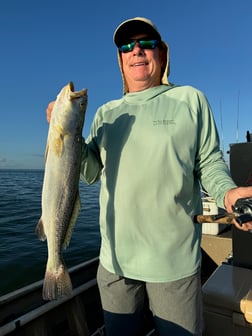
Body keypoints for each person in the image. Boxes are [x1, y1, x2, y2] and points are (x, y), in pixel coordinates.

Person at [46, 17, 252, 336]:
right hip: (115, 261)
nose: (136, 50)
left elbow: (210, 162)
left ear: (162, 53)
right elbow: (89, 173)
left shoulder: (190, 100)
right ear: (121, 60)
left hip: (174, 261)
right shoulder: (105, 114)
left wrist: (227, 194)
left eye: (146, 43)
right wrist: (69, 136)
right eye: (127, 46)